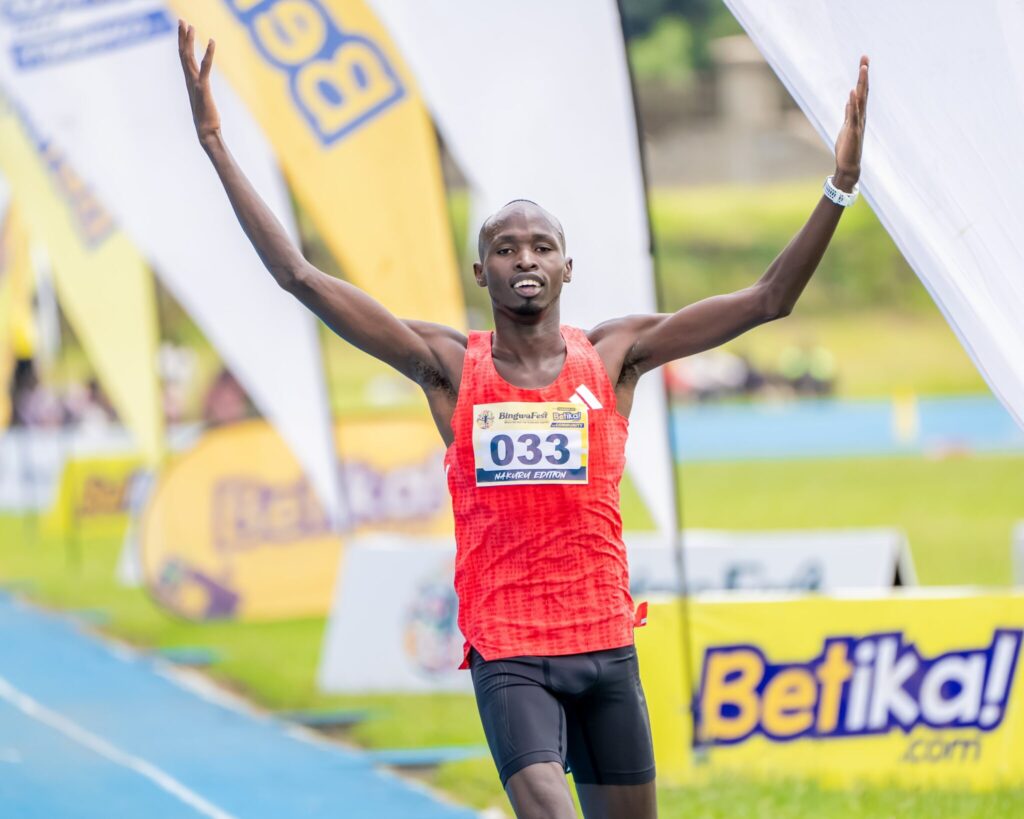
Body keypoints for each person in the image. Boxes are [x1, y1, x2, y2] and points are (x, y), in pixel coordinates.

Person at [176, 21, 868, 819]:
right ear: (482, 271)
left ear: (568, 266)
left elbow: (767, 299)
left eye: (542, 246)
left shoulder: (617, 357)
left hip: (606, 643)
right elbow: (300, 274)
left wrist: (839, 184)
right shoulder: (447, 366)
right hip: (511, 650)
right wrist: (217, 148)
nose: (526, 259)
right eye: (507, 248)